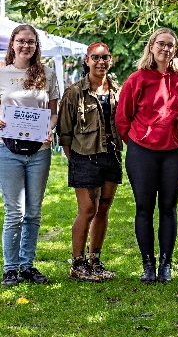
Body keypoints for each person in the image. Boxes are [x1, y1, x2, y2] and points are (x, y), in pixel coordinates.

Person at [115, 27, 178, 284]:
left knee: (169, 208)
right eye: (161, 44)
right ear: (151, 46)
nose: (165, 49)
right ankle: (147, 264)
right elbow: (122, 118)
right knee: (144, 208)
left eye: (171, 45)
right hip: (142, 153)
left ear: (175, 50)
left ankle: (166, 265)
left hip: (173, 153)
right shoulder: (137, 79)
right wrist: (139, 142)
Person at [57, 42, 122, 282]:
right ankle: (77, 263)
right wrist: (72, 159)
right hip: (84, 157)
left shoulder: (117, 89)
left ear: (110, 60)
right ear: (87, 60)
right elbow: (64, 132)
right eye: (95, 57)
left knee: (103, 208)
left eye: (105, 58)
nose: (100, 62)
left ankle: (95, 260)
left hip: (111, 155)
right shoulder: (75, 92)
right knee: (87, 209)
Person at [0, 25, 59, 286]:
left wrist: (49, 129)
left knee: (33, 212)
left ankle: (27, 266)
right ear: (13, 43)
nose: (26, 46)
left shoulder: (47, 74)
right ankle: (10, 268)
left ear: (36, 46)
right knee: (15, 212)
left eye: (31, 42)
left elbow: (53, 111)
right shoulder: (1, 74)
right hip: (7, 150)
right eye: (22, 41)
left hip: (40, 151)